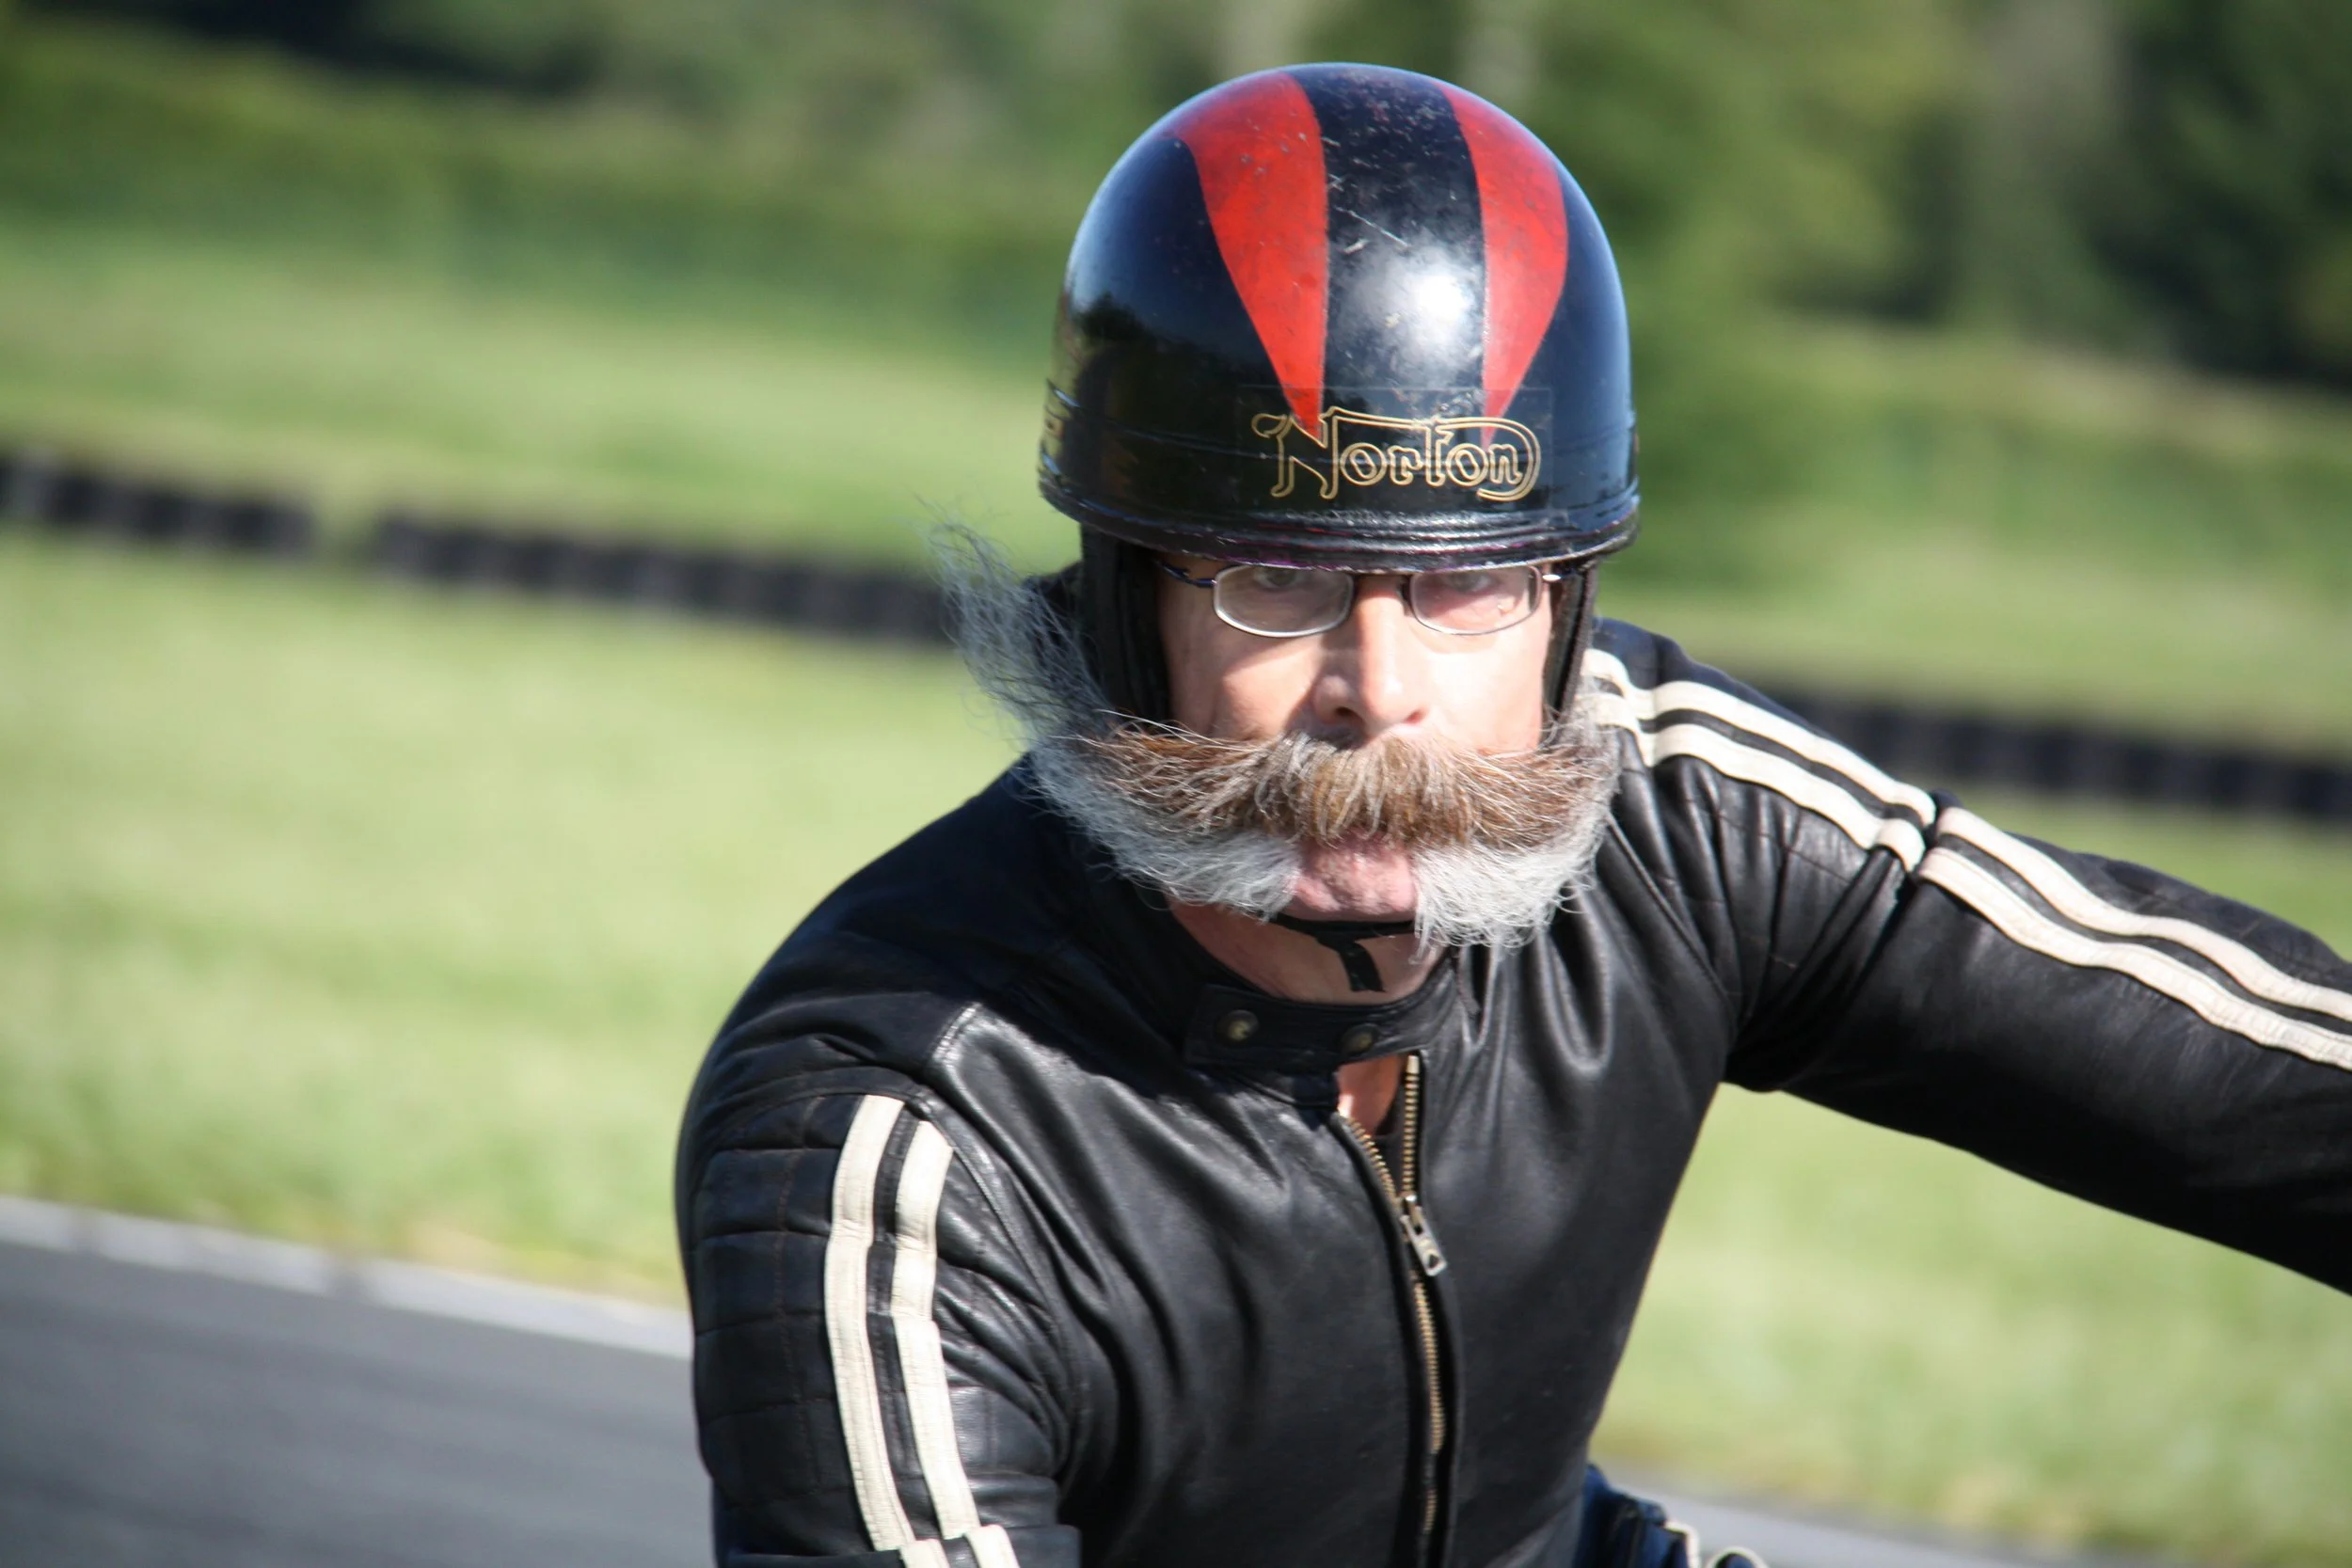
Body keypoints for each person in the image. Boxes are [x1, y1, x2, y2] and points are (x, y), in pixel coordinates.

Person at [675, 63, 2352, 1568]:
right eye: (1273, 577)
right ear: (1127, 606)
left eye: (1465, 585)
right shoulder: (890, 1138)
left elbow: (2233, 1070)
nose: (1380, 688)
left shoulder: (1673, 810)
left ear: (1563, 606)